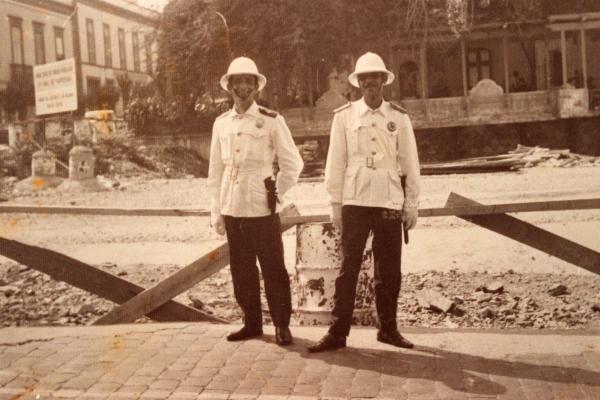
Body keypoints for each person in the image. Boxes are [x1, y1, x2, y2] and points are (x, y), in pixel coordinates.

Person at [308, 52, 420, 352]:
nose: (371, 82)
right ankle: (338, 332)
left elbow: (410, 162)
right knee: (348, 269)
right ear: (358, 83)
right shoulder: (344, 116)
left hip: (388, 200)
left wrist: (411, 204)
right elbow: (336, 162)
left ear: (384, 81)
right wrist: (334, 203)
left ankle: (388, 328)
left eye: (376, 77)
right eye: (365, 78)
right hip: (355, 200)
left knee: (389, 270)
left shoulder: (398, 117)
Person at [208, 57, 304, 345]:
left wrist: (275, 193)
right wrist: (216, 211)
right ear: (230, 86)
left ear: (256, 86)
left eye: (248, 82)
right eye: (238, 82)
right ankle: (251, 323)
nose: (243, 87)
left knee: (273, 267)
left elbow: (293, 164)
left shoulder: (271, 120)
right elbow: (215, 172)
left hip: (262, 207)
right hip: (233, 205)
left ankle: (281, 325)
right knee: (242, 268)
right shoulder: (221, 123)